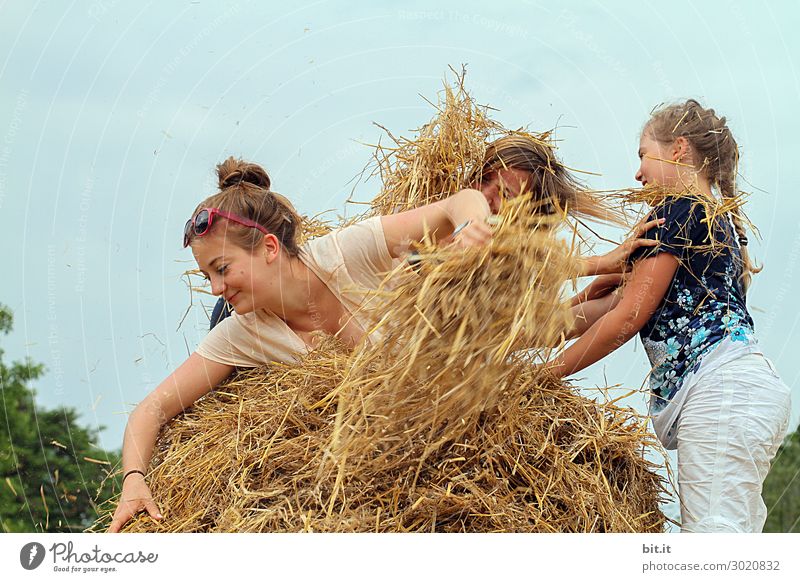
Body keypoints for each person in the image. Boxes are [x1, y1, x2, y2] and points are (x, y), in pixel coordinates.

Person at [549, 99, 792, 532]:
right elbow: (602, 308)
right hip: (740, 395)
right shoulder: (711, 222)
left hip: (723, 393)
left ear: (678, 149)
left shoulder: (679, 210)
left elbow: (626, 318)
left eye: (642, 154)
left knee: (714, 542)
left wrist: (544, 376)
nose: (637, 173)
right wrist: (513, 331)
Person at [207, 134, 663, 330]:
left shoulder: (497, 262)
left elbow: (534, 314)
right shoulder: (442, 220)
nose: (487, 197)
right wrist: (602, 263)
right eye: (487, 180)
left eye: (505, 194)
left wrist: (615, 291)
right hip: (264, 316)